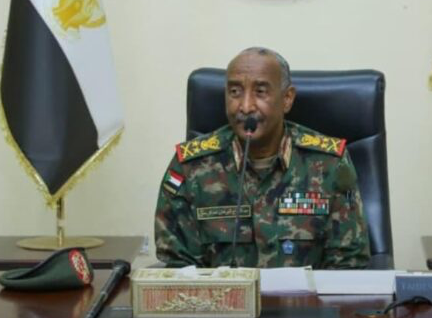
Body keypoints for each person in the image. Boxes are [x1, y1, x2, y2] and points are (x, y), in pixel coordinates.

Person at [154, 47, 370, 269]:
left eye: (260, 92)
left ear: (287, 99)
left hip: (306, 293)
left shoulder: (330, 164)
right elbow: (178, 268)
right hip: (220, 293)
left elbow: (348, 264)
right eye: (235, 92)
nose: (246, 106)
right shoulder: (190, 167)